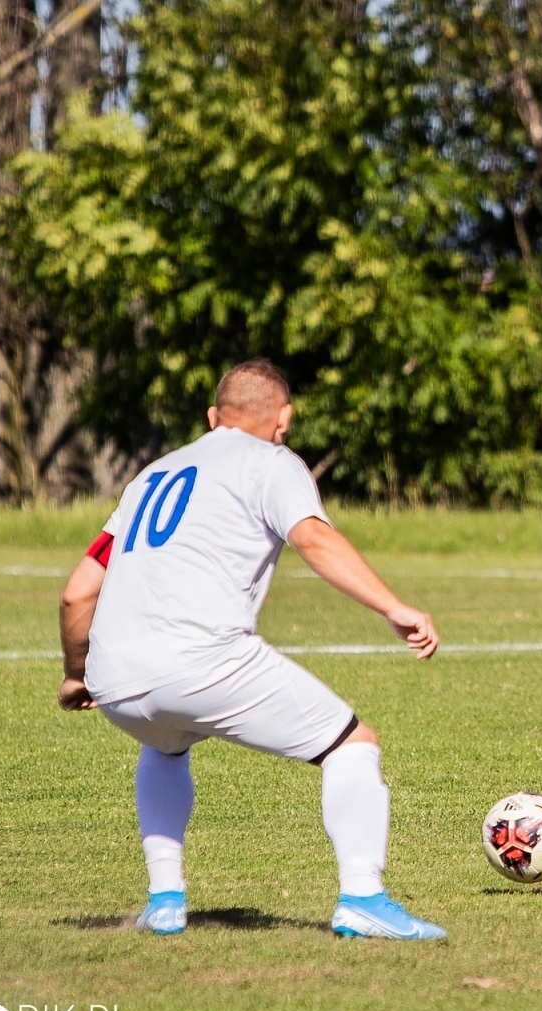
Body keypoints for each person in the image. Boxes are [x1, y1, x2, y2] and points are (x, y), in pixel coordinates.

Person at [57, 358, 448, 938]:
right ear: (283, 419)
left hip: (115, 679)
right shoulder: (271, 461)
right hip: (202, 661)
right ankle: (363, 899)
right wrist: (394, 606)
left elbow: (77, 593)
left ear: (213, 417)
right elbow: (314, 538)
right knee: (351, 745)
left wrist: (76, 674)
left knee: (165, 747)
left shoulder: (152, 475)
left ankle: (165, 899)